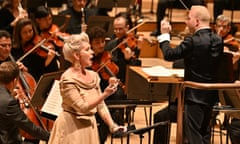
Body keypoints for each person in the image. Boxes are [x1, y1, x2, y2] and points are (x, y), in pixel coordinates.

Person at [155, 5, 223, 144]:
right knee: (204, 135)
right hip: (210, 96)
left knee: (193, 137)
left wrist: (165, 35)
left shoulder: (192, 41)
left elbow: (169, 55)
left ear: (197, 21)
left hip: (193, 96)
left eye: (188, 18)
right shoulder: (218, 40)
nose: (186, 21)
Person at [48, 33, 126, 144]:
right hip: (71, 130)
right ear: (76, 55)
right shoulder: (67, 79)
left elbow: (101, 105)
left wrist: (112, 125)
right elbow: (82, 108)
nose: (92, 52)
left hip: (90, 127)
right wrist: (105, 94)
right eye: (88, 49)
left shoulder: (93, 75)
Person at [0, 61, 50, 144]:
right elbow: (29, 127)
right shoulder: (9, 102)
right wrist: (50, 136)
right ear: (15, 80)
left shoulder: (7, 98)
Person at [215, 14, 240, 79]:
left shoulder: (234, 44)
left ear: (229, 29)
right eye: (219, 26)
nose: (221, 29)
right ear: (215, 27)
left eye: (224, 26)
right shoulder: (210, 40)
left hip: (229, 76)